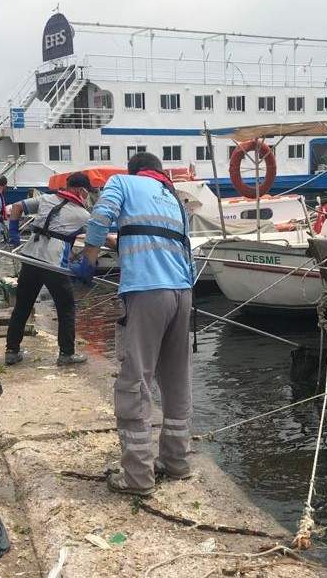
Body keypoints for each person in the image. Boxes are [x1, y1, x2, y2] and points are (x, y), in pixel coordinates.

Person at [81, 152, 195, 496]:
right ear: (158, 172)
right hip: (183, 293)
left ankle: (138, 478)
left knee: (135, 381)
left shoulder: (121, 182)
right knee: (176, 380)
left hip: (146, 292)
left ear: (133, 171)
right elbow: (173, 242)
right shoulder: (173, 196)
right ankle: (177, 462)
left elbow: (101, 215)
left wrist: (88, 257)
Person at [4, 172, 94, 367]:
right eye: (87, 193)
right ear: (81, 190)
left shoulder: (46, 198)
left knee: (23, 305)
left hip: (30, 257)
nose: (87, 196)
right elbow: (99, 238)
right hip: (53, 264)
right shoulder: (83, 215)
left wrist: (13, 231)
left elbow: (17, 207)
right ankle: (66, 354)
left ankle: (12, 351)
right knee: (66, 308)